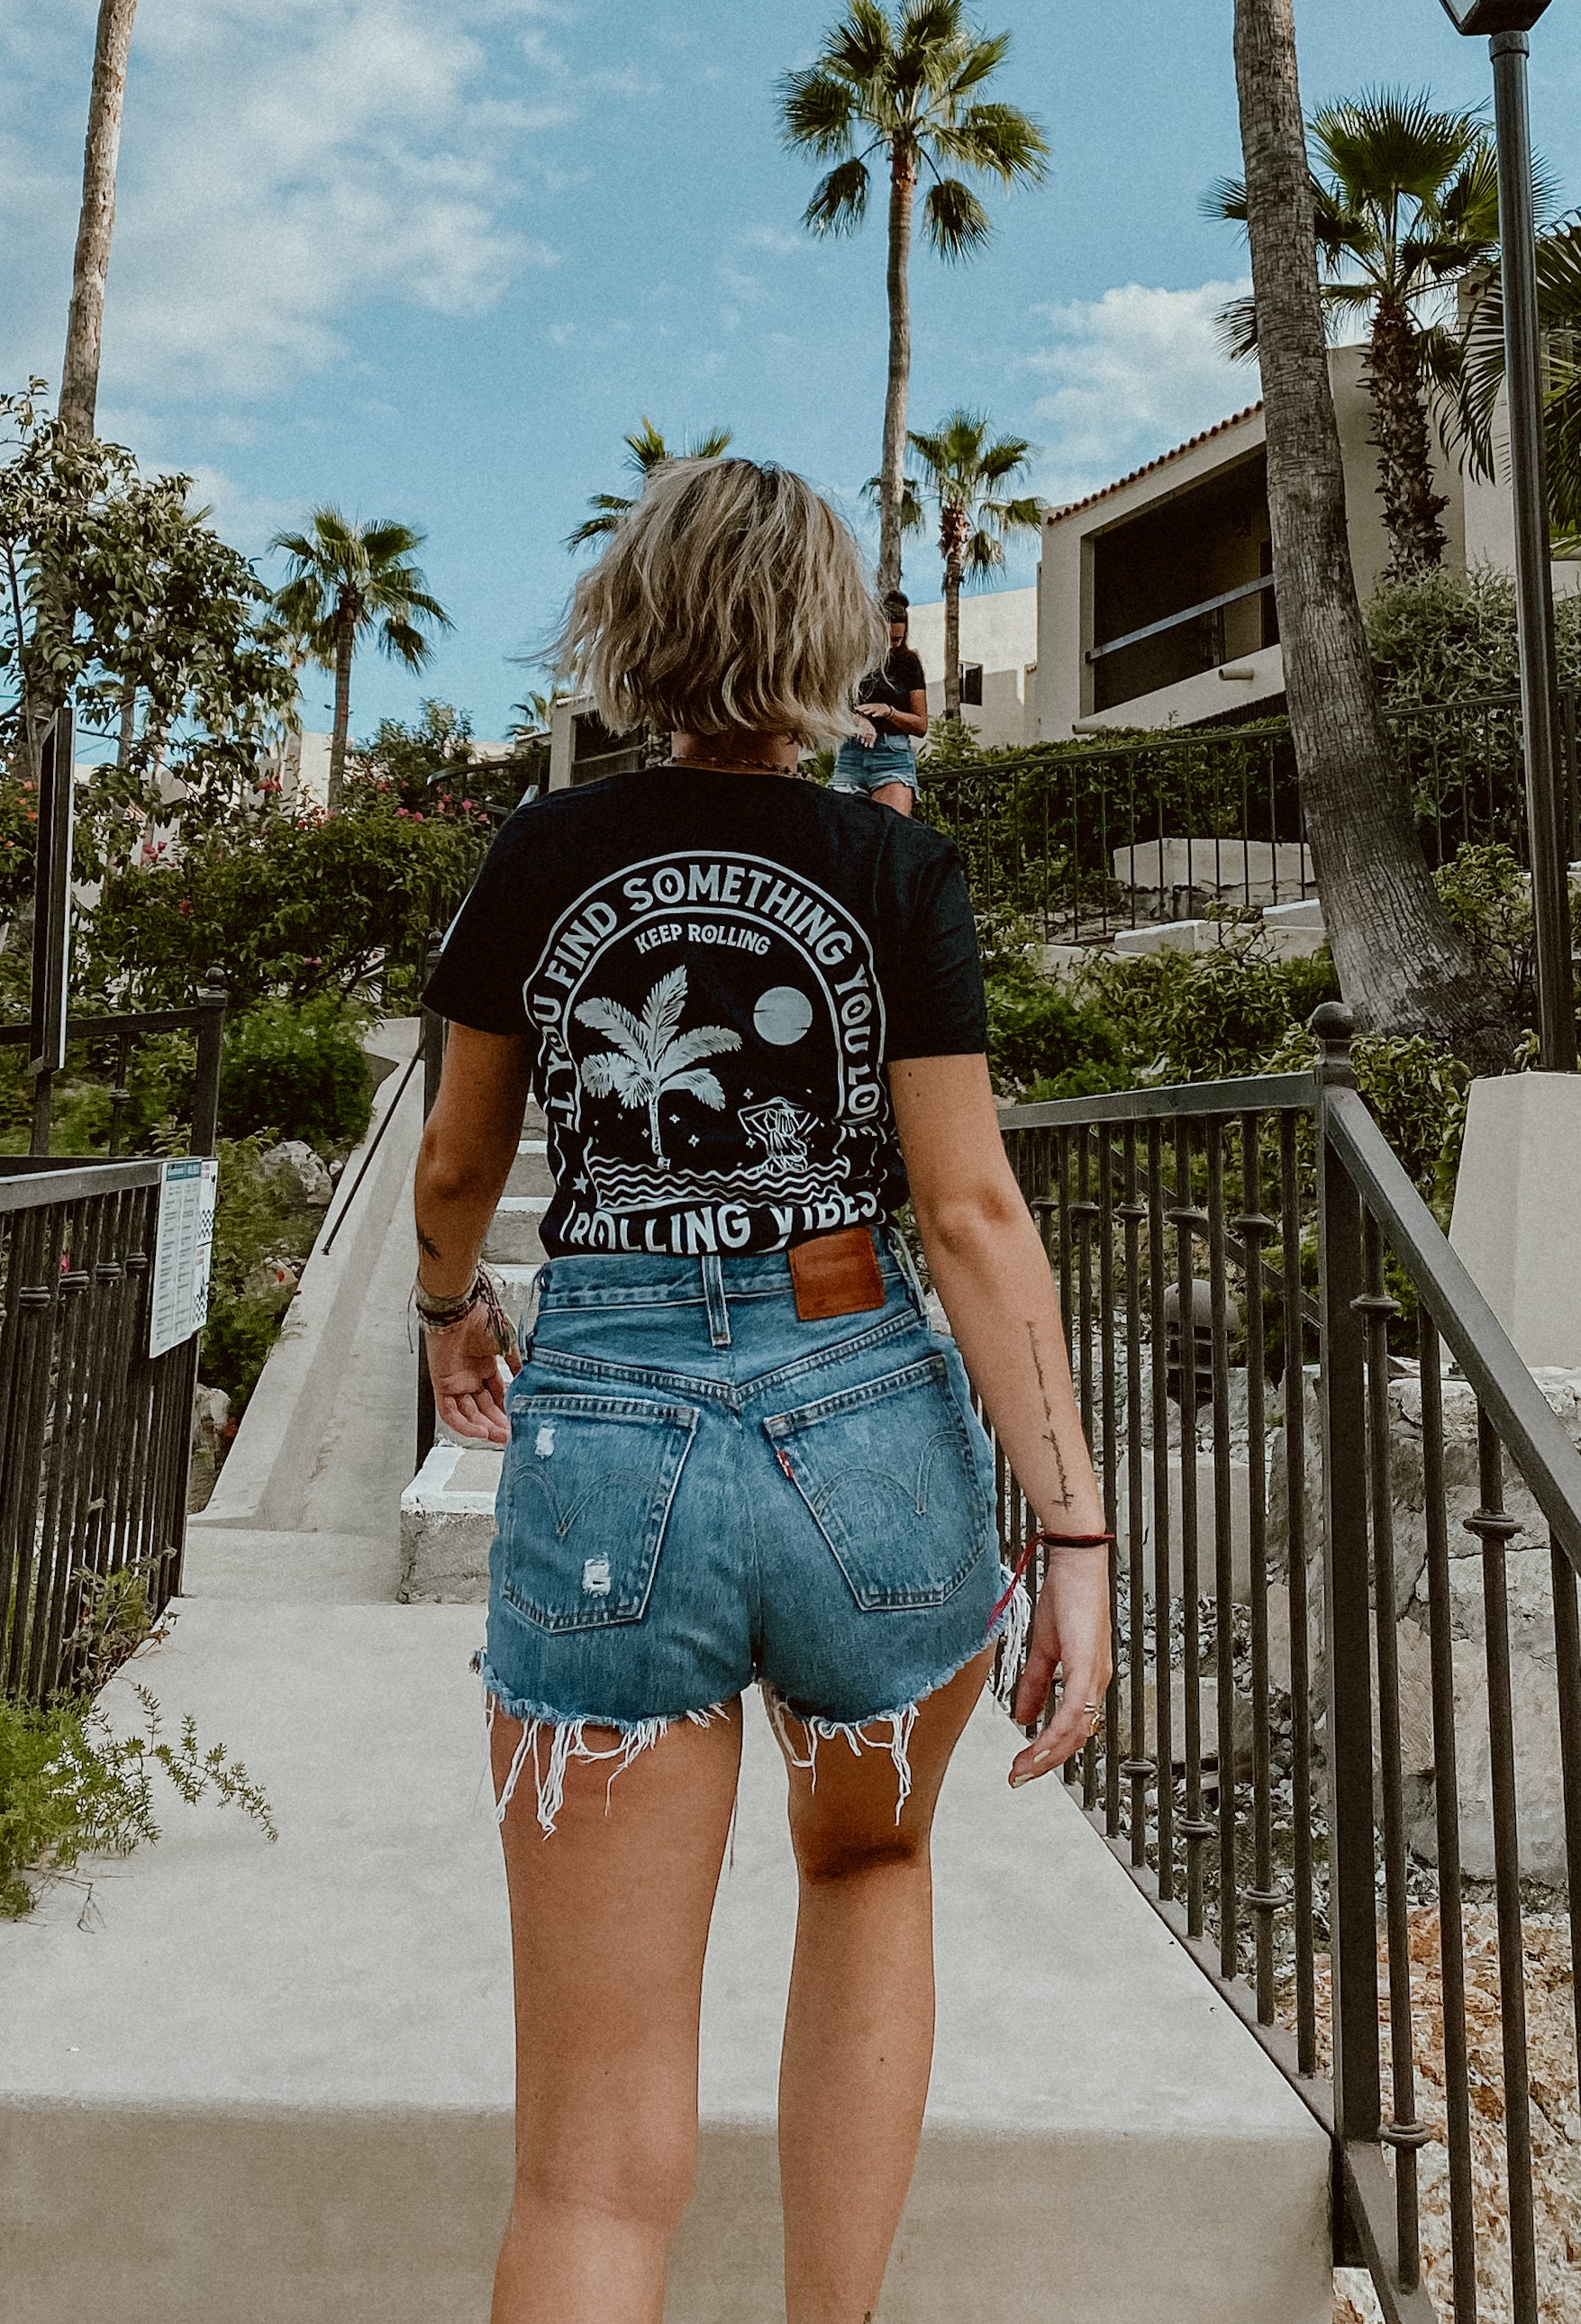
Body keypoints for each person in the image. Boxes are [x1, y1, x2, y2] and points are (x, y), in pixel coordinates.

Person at [411, 457, 1112, 2324]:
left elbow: (457, 1167)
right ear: (821, 636)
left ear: (629, 624)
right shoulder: (893, 865)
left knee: (588, 2154)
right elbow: (967, 1208)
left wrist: (443, 1306)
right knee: (871, 1866)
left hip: (611, 1418)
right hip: (864, 1410)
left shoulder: (543, 853)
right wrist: (1073, 1527)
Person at [832, 583, 928, 815]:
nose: (888, 646)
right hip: (851, 753)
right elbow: (831, 706)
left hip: (892, 756)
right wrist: (858, 719)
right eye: (884, 638)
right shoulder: (853, 659)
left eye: (896, 640)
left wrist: (888, 711)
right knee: (839, 835)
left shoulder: (908, 663)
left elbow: (920, 725)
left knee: (890, 834)